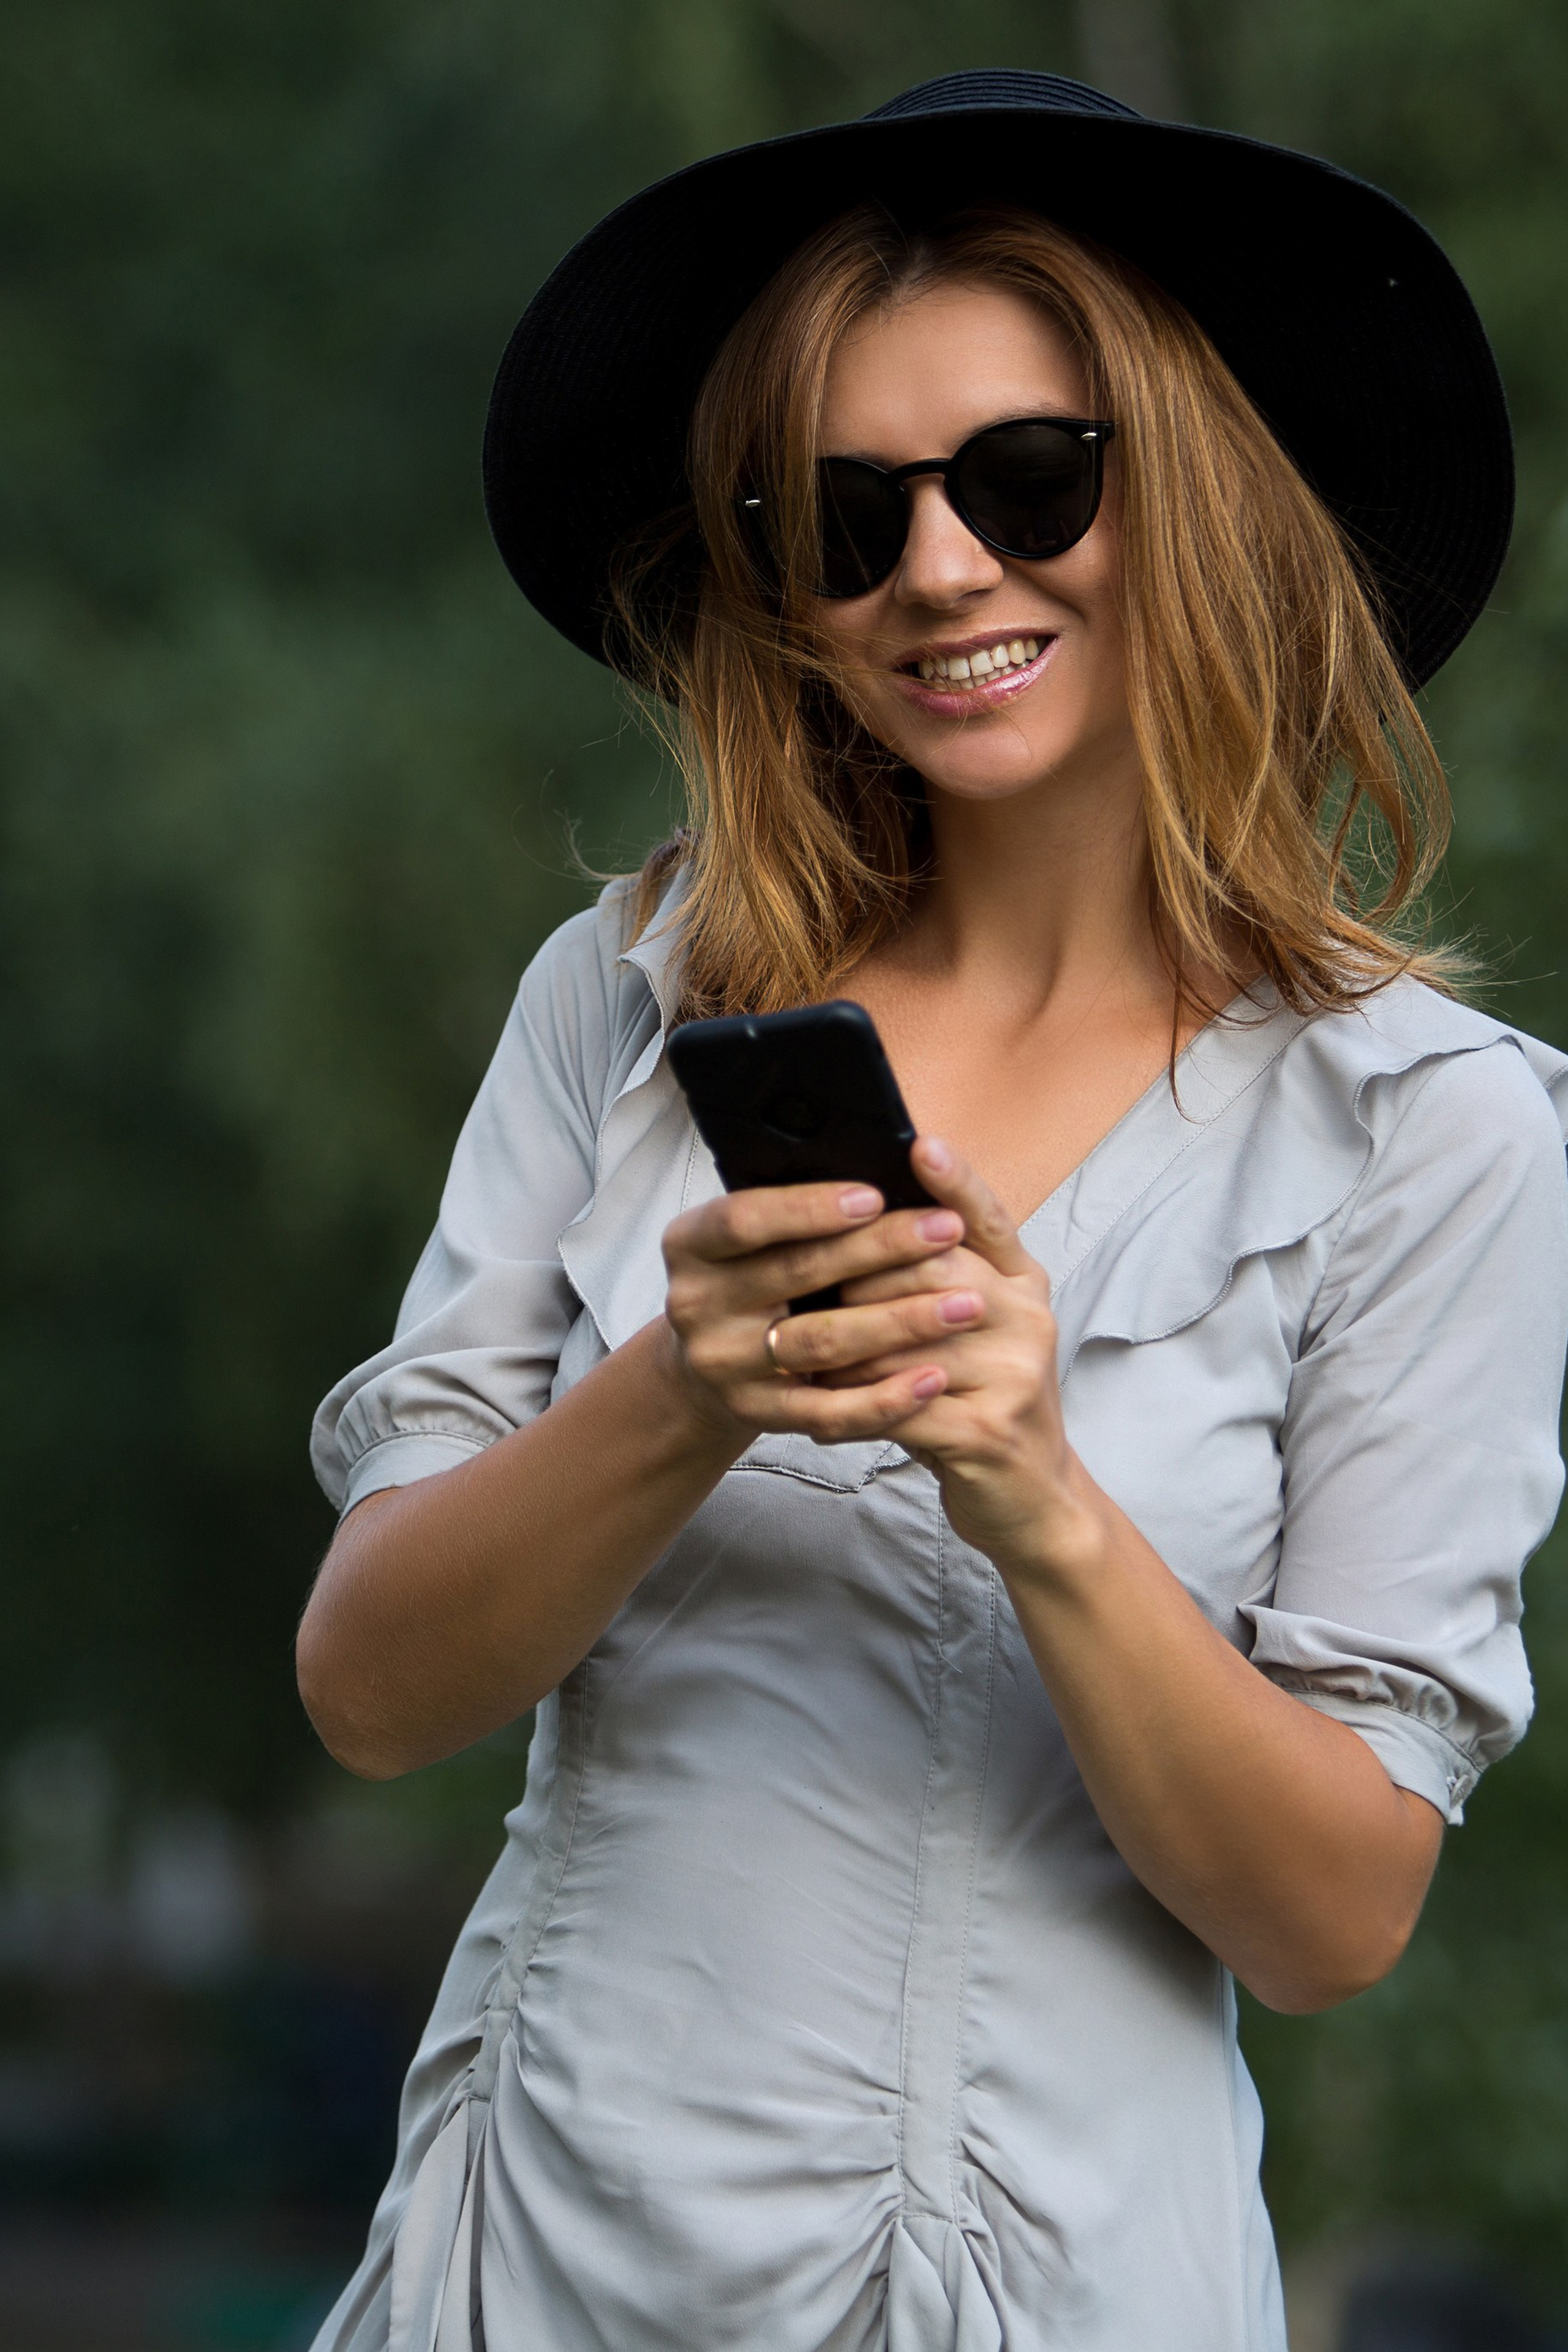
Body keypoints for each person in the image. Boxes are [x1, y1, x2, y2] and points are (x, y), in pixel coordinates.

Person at [297, 71, 1568, 2352]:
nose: (946, 571)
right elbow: (374, 1689)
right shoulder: (632, 992)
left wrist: (1039, 1496)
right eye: (845, 517)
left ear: (1202, 497)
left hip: (1059, 2287)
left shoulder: (1437, 1130)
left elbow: (1336, 1921)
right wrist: (686, 1391)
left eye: (1029, 477)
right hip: (535, 2261)